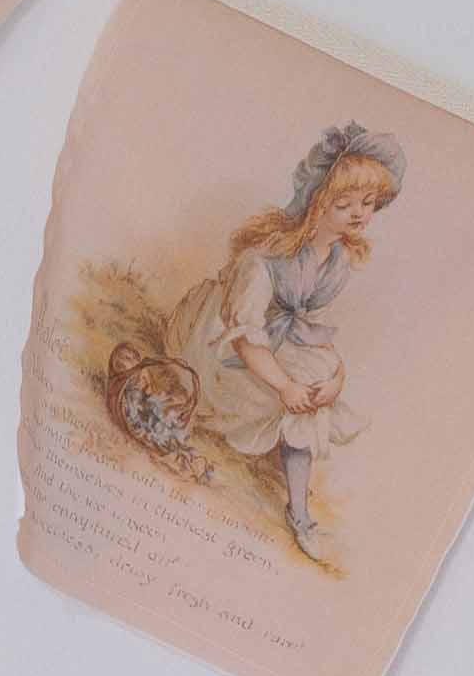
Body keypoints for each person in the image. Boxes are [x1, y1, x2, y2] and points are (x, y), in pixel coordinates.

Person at [166, 122, 405, 561]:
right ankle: (299, 516)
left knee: (319, 388)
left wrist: (337, 377)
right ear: (316, 203)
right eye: (345, 203)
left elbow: (308, 330)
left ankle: (298, 506)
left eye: (368, 204)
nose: (359, 214)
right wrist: (285, 387)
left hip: (271, 343)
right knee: (301, 401)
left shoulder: (336, 258)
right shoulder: (266, 260)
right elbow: (244, 338)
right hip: (220, 350)